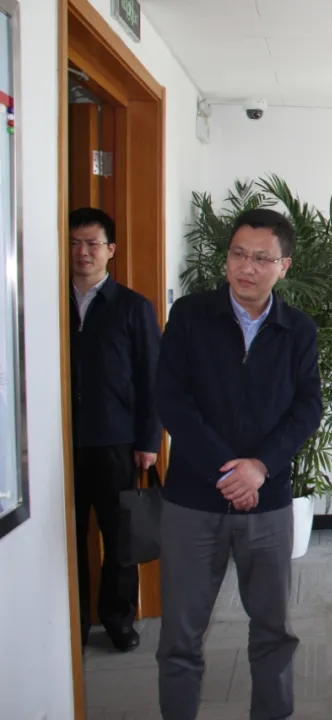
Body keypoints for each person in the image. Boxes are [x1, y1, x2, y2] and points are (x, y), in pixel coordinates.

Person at [154, 208, 322, 720]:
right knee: (180, 635)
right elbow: (171, 400)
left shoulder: (298, 329)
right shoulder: (190, 315)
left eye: (261, 259)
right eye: (238, 255)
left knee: (273, 631)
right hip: (193, 499)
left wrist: (260, 468)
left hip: (267, 502)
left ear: (284, 266)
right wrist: (228, 472)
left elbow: (307, 408)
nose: (246, 268)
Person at [69, 207, 162, 652]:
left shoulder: (132, 307)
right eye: (74, 243)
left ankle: (118, 620)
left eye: (92, 243)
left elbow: (154, 379)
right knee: (67, 538)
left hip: (117, 442)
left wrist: (148, 440)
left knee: (121, 538)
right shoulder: (48, 303)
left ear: (111, 250)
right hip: (61, 445)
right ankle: (73, 620)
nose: (82, 252)